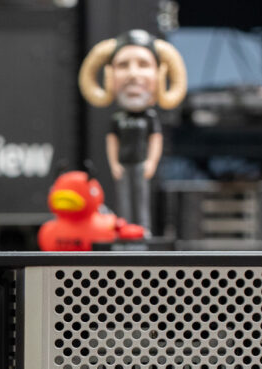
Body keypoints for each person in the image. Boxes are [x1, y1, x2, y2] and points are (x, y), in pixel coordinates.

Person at [78, 29, 187, 235]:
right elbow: (112, 140)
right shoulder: (117, 118)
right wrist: (114, 163)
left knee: (141, 197)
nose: (133, 74)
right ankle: (124, 231)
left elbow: (155, 140)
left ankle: (143, 231)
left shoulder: (150, 118)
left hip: (141, 164)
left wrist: (151, 162)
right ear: (109, 75)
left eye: (144, 64)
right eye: (123, 65)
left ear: (159, 74)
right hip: (124, 164)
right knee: (124, 198)